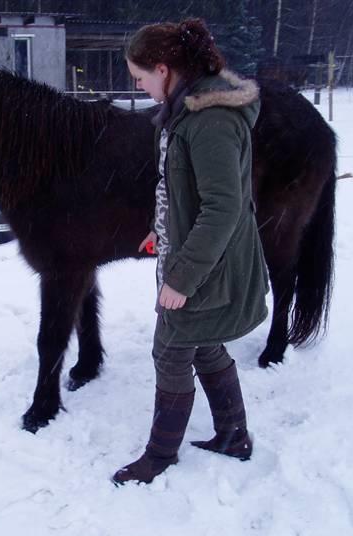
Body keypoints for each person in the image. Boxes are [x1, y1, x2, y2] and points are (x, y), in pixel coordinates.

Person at [112, 18, 270, 485]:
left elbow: (222, 208)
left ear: (164, 68)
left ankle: (160, 456)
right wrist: (160, 229)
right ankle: (233, 436)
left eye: (140, 77)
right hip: (194, 255)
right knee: (202, 345)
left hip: (206, 267)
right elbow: (184, 189)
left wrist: (181, 278)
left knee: (173, 349)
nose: (139, 87)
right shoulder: (188, 107)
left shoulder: (211, 120)